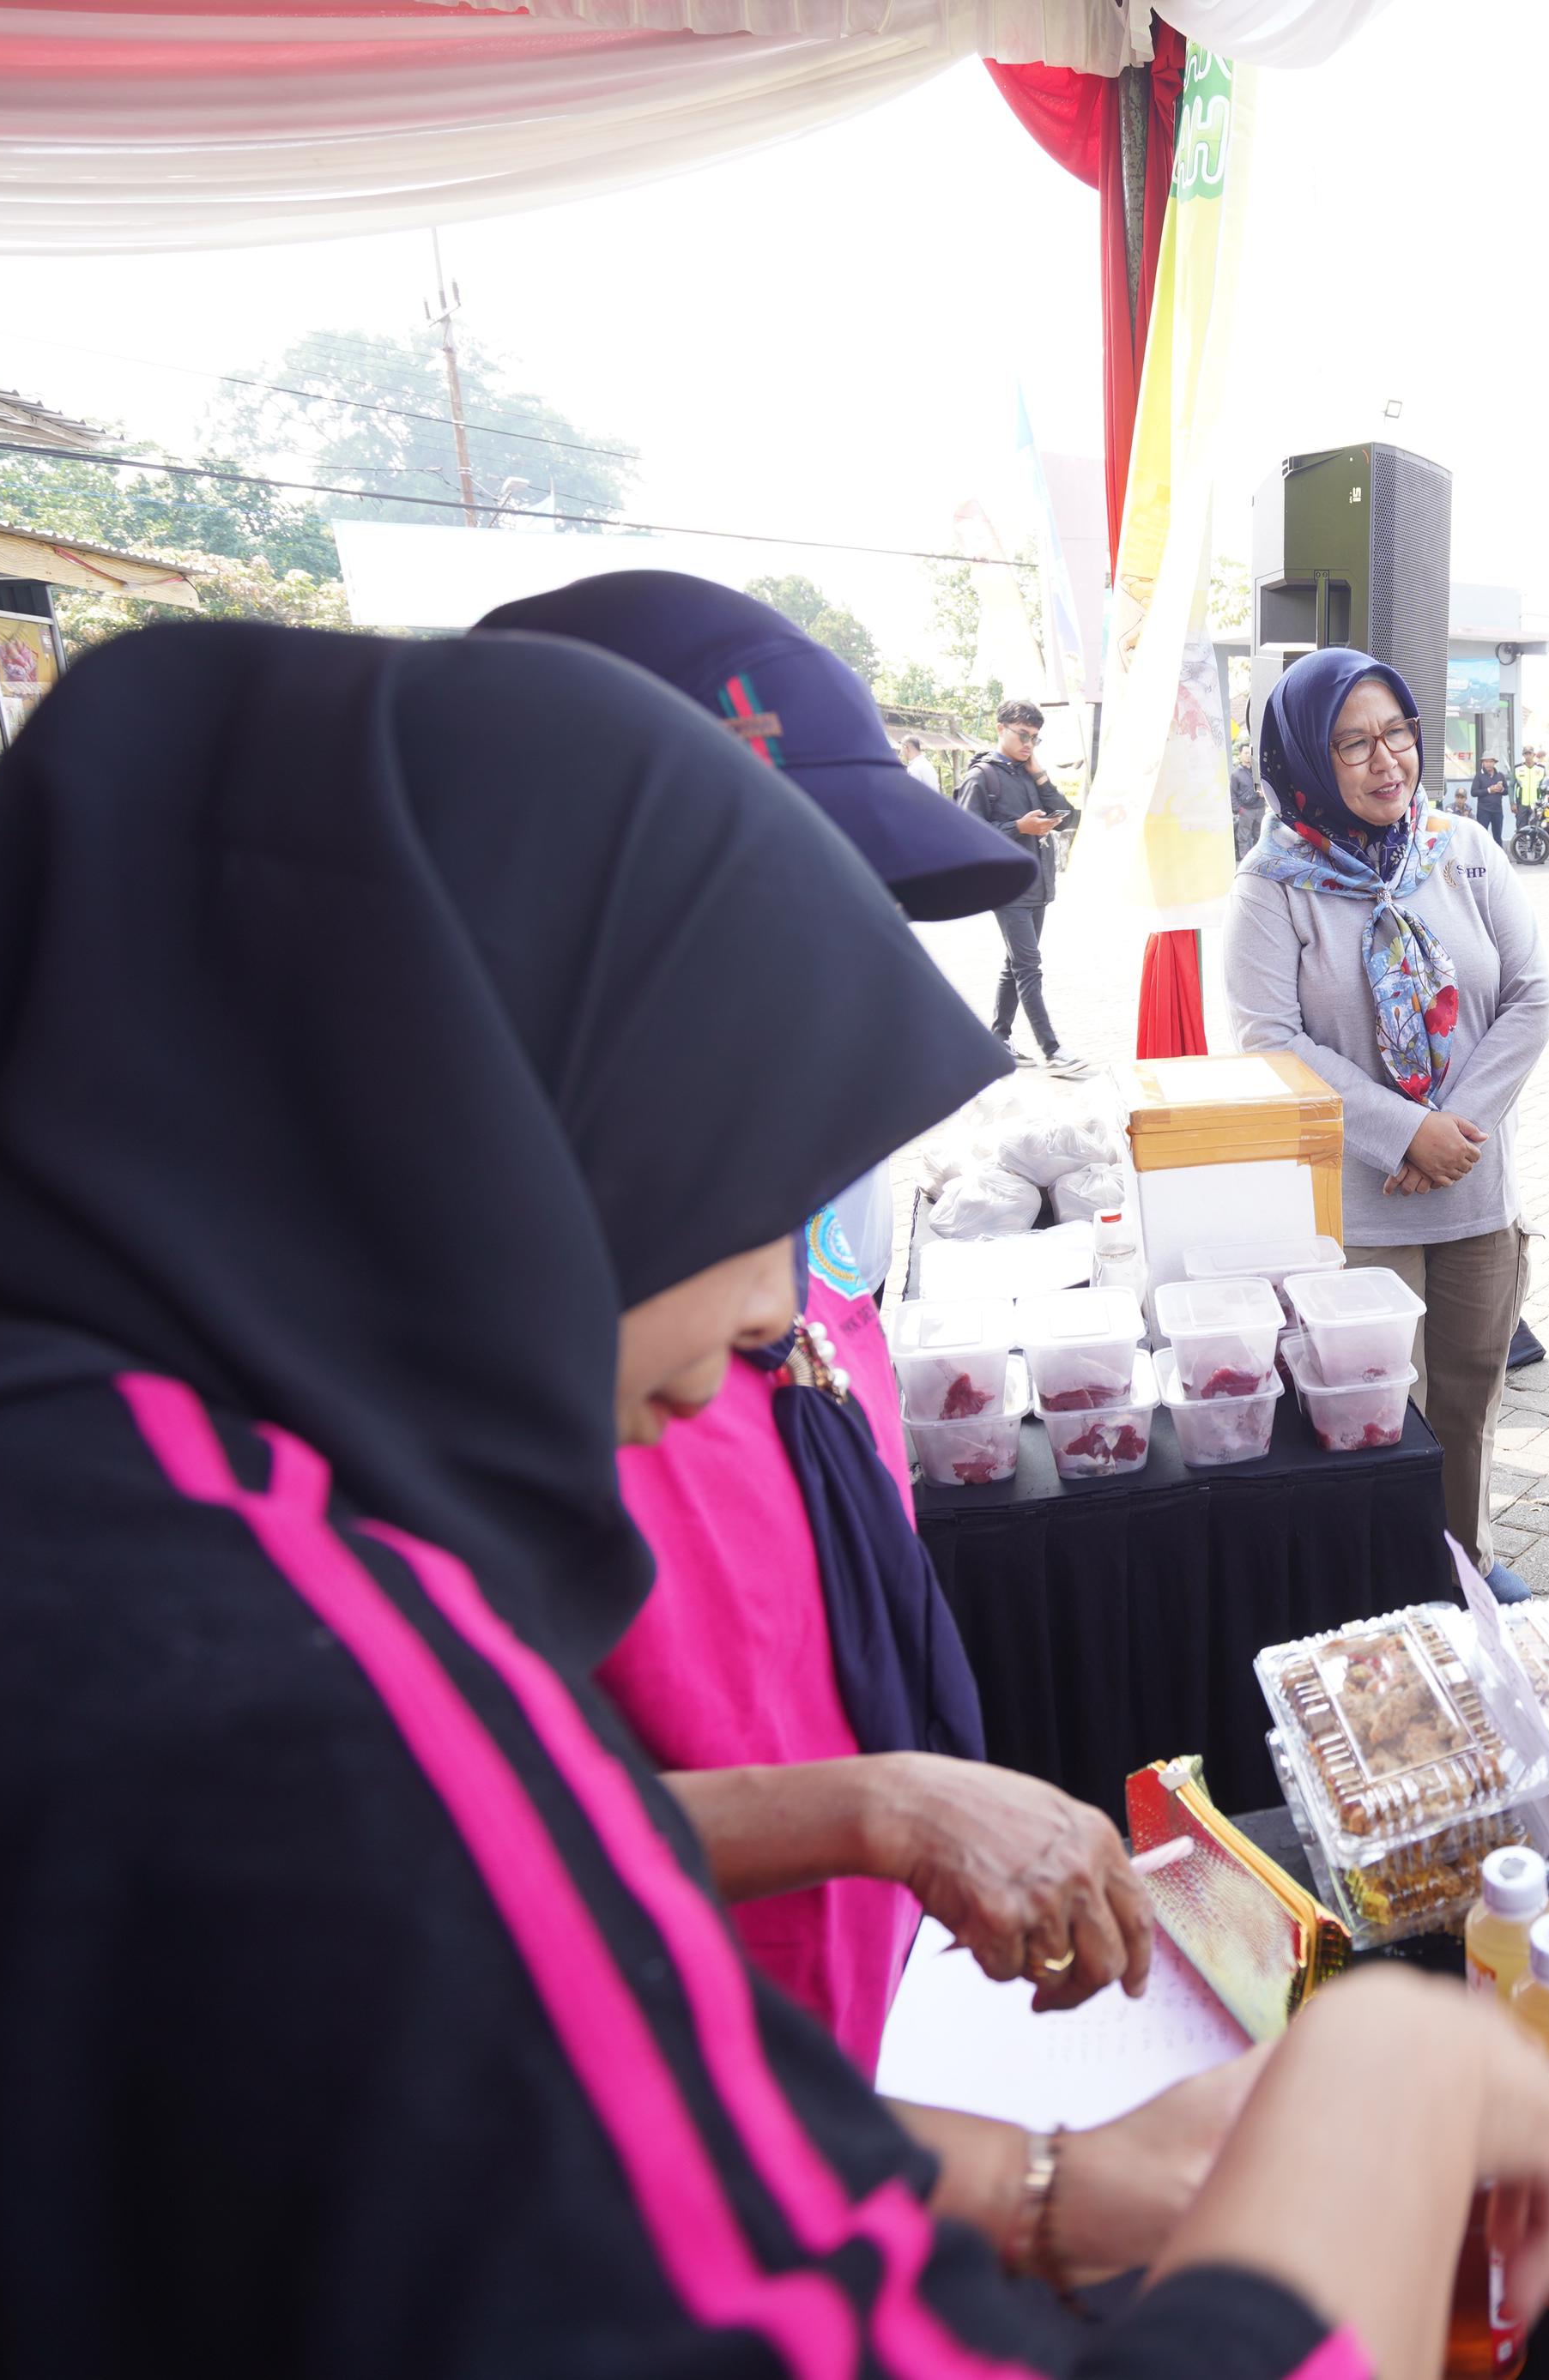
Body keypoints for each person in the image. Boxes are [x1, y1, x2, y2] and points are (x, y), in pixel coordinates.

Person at [0, 620, 1549, 2380]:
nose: (781, 1317)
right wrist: (1396, 2085)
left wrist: (1021, 2181)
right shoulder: (229, 1688)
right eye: (741, 1138)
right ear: (488, 1112)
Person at [476, 570, 1128, 2080]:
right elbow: (459, 1837)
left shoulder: (784, 1234)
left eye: (873, 926)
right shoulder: (463, 1393)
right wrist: (868, 1809)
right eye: (782, 936)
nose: (847, 1004)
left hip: (859, 2035)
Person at [1228, 646, 1549, 1600]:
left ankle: (1461, 1559)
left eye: (1397, 734)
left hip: (1472, 1186)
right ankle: (1373, 1582)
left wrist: (1450, 1125)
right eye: (1351, 744)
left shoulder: (1461, 847)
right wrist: (1397, 1132)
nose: (1386, 762)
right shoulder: (1272, 882)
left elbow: (1531, 997)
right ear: (1300, 760)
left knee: (1466, 1400)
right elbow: (1269, 1039)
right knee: (1366, 1412)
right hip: (1356, 1209)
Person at [962, 698, 1087, 1077]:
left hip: (1037, 885)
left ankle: (999, 1038)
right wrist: (1019, 827)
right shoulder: (982, 777)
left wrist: (1041, 776)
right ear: (1001, 729)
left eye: (1035, 737)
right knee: (1029, 967)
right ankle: (1052, 1050)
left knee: (1015, 965)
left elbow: (1070, 818)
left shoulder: (1028, 772)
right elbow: (965, 835)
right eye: (1022, 735)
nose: (1029, 743)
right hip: (1006, 887)